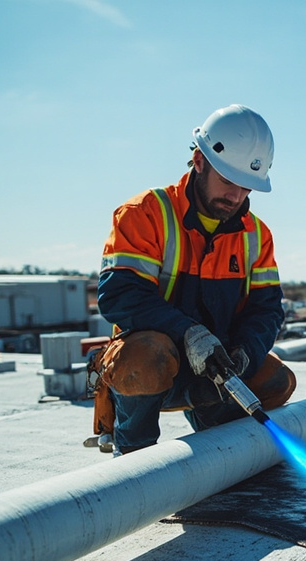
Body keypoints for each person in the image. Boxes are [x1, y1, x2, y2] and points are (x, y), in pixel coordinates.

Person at [92, 105, 295, 454]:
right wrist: (188, 333)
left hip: (216, 368)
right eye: (228, 181)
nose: (236, 197)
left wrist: (245, 354)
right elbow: (119, 294)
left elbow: (266, 311)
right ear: (199, 161)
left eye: (247, 187)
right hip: (154, 367)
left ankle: (214, 440)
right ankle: (131, 456)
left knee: (276, 380)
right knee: (145, 359)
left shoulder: (256, 236)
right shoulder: (146, 213)